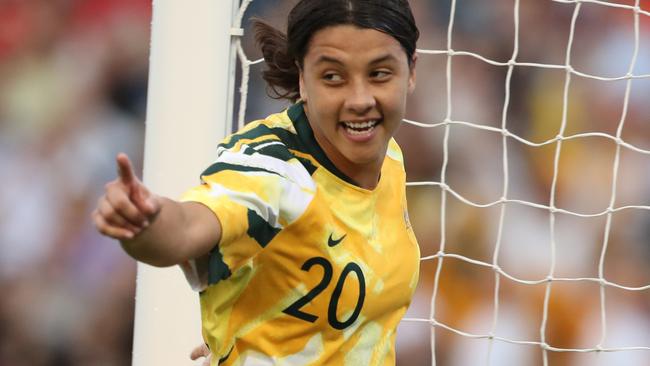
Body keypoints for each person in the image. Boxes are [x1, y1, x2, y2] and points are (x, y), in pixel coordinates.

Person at [93, 0, 420, 364]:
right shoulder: (272, 171)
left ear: (411, 71)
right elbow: (186, 228)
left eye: (379, 74)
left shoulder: (387, 154)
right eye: (333, 77)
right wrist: (145, 224)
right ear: (303, 78)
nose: (360, 100)